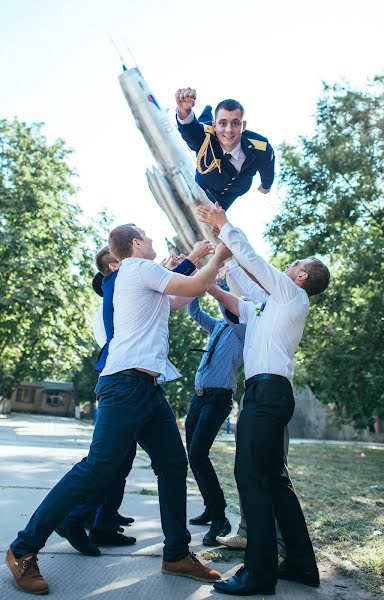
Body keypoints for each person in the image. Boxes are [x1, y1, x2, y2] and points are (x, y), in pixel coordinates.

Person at [6, 224, 228, 594]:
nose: (155, 242)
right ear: (137, 244)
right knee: (98, 468)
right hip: (124, 385)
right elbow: (187, 286)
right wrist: (215, 256)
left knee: (173, 464)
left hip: (148, 388)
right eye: (150, 237)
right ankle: (23, 548)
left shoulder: (143, 277)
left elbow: (178, 298)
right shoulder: (137, 268)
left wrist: (205, 269)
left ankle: (176, 553)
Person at [197, 203, 330, 596]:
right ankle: (303, 566)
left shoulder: (291, 295)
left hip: (269, 393)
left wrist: (227, 225)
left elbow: (254, 262)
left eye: (294, 263)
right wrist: (218, 265)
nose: (288, 265)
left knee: (250, 476)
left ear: (301, 276)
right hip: (264, 393)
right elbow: (243, 298)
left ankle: (258, 574)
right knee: (274, 481)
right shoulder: (272, 303)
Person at [185, 285, 245, 546]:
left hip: (218, 398)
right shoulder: (218, 327)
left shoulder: (242, 328)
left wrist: (218, 283)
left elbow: (227, 308)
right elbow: (194, 311)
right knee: (193, 457)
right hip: (197, 397)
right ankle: (212, 507)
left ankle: (220, 518)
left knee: (198, 453)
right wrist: (196, 284)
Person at [175, 87, 275, 211]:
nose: (229, 130)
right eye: (223, 123)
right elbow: (190, 131)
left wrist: (266, 185)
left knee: (219, 218)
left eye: (235, 123)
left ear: (243, 126)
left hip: (236, 190)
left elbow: (268, 166)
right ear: (214, 126)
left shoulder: (261, 147)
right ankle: (207, 112)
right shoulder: (206, 137)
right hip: (205, 186)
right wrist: (184, 110)